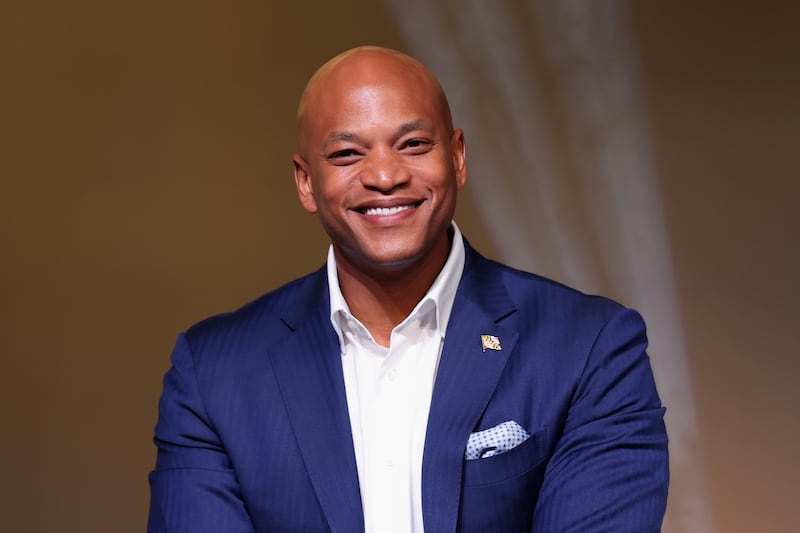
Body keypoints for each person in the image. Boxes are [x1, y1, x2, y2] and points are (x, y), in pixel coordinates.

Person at [148, 46, 668, 532]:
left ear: (458, 157)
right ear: (305, 182)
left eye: (414, 145)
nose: (384, 175)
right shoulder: (215, 372)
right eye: (348, 154)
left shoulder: (589, 347)